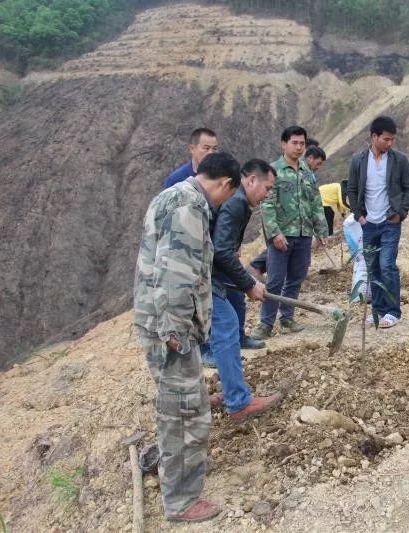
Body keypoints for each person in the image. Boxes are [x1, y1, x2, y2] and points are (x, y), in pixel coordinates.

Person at [133, 152, 239, 522]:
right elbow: (176, 274)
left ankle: (172, 478)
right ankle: (180, 501)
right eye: (228, 196)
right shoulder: (191, 207)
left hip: (156, 321)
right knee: (184, 415)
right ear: (225, 184)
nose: (224, 203)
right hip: (170, 330)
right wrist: (178, 333)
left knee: (179, 403)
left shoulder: (171, 194)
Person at [209, 159, 284, 420]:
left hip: (210, 274)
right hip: (205, 277)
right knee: (227, 328)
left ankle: (224, 393)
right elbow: (221, 251)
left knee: (221, 329)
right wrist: (249, 283)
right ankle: (238, 403)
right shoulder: (237, 203)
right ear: (251, 180)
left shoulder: (239, 202)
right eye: (267, 187)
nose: (268, 194)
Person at [251, 126, 328, 339]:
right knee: (275, 280)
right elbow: (267, 206)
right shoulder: (274, 171)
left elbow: (315, 201)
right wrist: (275, 233)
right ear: (284, 144)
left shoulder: (307, 173)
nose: (299, 147)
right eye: (294, 143)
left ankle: (287, 319)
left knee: (296, 278)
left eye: (302, 143)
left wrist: (321, 229)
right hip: (282, 236)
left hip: (303, 235)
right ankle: (265, 324)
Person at [347, 116, 409, 329]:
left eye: (392, 140)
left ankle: (393, 312)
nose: (390, 143)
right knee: (373, 268)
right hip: (368, 224)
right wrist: (359, 216)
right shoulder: (358, 160)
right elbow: (351, 189)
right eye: (386, 139)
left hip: (390, 222)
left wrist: (400, 213)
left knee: (387, 265)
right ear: (374, 137)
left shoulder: (399, 160)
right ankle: (378, 310)